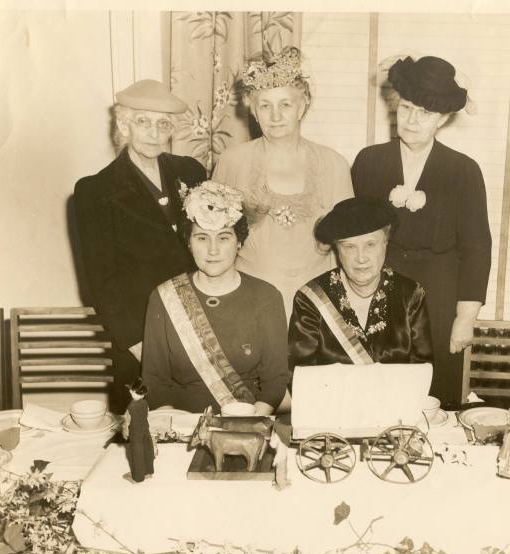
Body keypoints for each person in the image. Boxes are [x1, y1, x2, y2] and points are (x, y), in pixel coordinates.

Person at [351, 55, 492, 409]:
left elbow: (477, 248)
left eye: (425, 113)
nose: (412, 120)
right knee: (377, 396)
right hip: (379, 292)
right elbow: (353, 239)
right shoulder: (368, 161)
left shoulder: (464, 171)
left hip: (439, 300)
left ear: (442, 118)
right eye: (407, 108)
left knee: (436, 397)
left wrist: (465, 319)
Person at [74, 79, 206, 411]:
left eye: (163, 124)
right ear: (124, 125)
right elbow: (101, 283)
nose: (153, 132)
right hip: (140, 337)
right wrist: (142, 348)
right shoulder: (95, 190)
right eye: (142, 121)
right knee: (145, 432)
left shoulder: (191, 172)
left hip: (200, 327)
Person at [213, 47, 354, 315]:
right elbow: (216, 242)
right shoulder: (231, 162)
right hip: (249, 302)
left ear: (302, 106)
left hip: (318, 303)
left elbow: (348, 245)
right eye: (265, 106)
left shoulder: (334, 164)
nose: (275, 116)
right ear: (253, 111)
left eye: (285, 104)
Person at [142, 180, 288, 414]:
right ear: (188, 242)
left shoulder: (266, 297)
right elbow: (155, 382)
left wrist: (250, 425)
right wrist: (177, 427)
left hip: (247, 418)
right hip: (183, 422)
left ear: (239, 241)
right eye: (201, 238)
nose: (212, 250)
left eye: (223, 237)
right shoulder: (163, 297)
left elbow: (275, 380)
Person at [289, 197, 433, 369]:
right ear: (337, 249)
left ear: (385, 243)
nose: (361, 257)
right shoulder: (310, 299)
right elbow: (303, 375)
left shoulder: (410, 294)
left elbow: (422, 371)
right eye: (350, 247)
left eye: (370, 244)